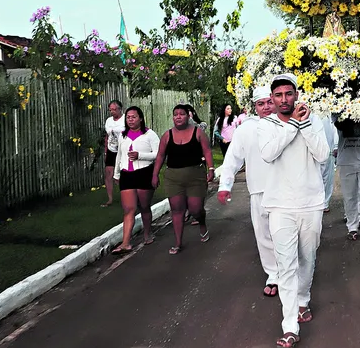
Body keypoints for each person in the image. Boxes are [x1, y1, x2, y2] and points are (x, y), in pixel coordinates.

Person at [257, 73, 329, 348]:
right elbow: (268, 153)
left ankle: (303, 300)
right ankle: (289, 326)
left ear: (296, 95)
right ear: (272, 99)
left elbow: (323, 155)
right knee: (286, 264)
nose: (284, 99)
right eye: (278, 95)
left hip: (310, 203)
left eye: (289, 94)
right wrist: (292, 126)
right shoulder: (267, 125)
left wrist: (305, 124)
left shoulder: (314, 120)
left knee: (307, 258)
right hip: (279, 206)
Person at [218, 86, 279, 297]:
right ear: (254, 107)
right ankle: (273, 274)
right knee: (263, 235)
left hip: (286, 190)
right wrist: (225, 186)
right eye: (260, 104)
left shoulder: (287, 123)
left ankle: (290, 272)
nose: (266, 108)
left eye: (269, 102)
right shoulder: (246, 129)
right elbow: (233, 159)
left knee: (287, 233)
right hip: (259, 190)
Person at [152, 105, 216, 254]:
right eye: (175, 114)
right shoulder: (167, 136)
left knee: (195, 209)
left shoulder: (198, 132)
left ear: (188, 116)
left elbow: (207, 151)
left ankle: (201, 223)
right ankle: (178, 242)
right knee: (177, 210)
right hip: (173, 177)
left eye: (182, 114)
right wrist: (155, 174)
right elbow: (160, 156)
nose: (178, 117)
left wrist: (211, 168)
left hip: (195, 176)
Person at [111, 106, 159, 254]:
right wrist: (117, 173)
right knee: (129, 209)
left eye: (133, 117)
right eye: (128, 117)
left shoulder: (149, 134)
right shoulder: (123, 135)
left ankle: (147, 233)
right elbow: (119, 155)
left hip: (144, 172)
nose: (130, 120)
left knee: (144, 206)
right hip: (127, 174)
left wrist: (141, 156)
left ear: (141, 118)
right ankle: (125, 243)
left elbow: (158, 154)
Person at [335, 119, 360, 241]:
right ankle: (352, 226)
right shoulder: (340, 113)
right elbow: (338, 123)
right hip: (346, 160)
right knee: (349, 196)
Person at [102, 100, 125, 207]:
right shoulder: (108, 121)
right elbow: (108, 136)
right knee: (108, 173)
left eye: (114, 109)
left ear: (120, 109)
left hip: (123, 149)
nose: (112, 112)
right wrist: (106, 150)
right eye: (110, 109)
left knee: (122, 174)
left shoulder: (125, 119)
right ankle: (110, 199)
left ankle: (127, 196)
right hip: (111, 149)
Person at [320, 115, 338, 213]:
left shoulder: (329, 117)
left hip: (329, 150)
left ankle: (325, 203)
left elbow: (334, 128)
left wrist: (335, 145)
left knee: (327, 178)